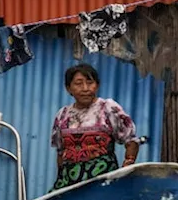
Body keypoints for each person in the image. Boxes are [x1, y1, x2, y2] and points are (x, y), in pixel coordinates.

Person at [50, 63, 139, 191]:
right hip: (70, 182)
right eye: (78, 83)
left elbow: (130, 140)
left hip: (102, 180)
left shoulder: (107, 108)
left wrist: (126, 167)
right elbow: (60, 152)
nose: (85, 88)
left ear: (97, 85)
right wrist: (60, 180)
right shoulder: (63, 115)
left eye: (90, 82)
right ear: (68, 88)